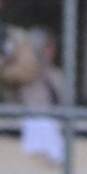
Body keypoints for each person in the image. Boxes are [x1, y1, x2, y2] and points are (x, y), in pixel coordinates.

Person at [20, 27, 66, 165]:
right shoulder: (24, 74)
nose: (50, 52)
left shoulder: (57, 76)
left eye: (51, 48)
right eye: (46, 48)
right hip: (32, 121)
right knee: (41, 123)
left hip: (56, 122)